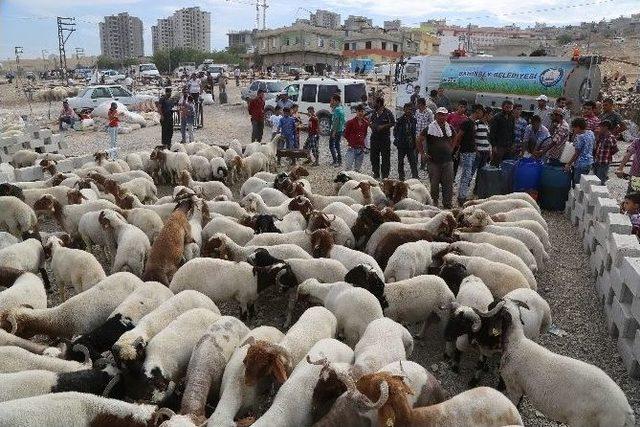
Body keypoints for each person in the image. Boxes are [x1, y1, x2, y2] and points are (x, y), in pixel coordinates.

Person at [418, 107, 454, 208]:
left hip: (448, 160)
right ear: (436, 116)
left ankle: (447, 203)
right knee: (434, 184)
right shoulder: (430, 128)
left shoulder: (449, 127)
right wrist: (423, 153)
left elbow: (455, 137)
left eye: (444, 115)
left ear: (446, 116)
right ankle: (434, 202)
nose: (442, 116)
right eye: (440, 114)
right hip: (433, 161)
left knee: (448, 183)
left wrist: (452, 147)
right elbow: (419, 139)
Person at [455, 104, 484, 205]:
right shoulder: (467, 122)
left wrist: (476, 151)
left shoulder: (472, 123)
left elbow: (472, 139)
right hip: (466, 152)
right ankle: (461, 197)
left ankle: (462, 195)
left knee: (467, 175)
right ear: (477, 111)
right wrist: (453, 150)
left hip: (471, 152)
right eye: (481, 112)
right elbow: (458, 136)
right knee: (466, 175)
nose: (482, 114)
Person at [369, 97, 395, 179]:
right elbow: (371, 122)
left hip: (384, 139)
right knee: (373, 157)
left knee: (385, 158)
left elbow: (393, 123)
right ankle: (376, 174)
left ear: (379, 103)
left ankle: (385, 176)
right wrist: (371, 125)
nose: (373, 104)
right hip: (374, 139)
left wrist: (383, 126)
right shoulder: (373, 113)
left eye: (375, 102)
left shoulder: (388, 112)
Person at [564, 118, 594, 187]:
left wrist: (568, 164)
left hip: (581, 164)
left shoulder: (580, 137)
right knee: (584, 183)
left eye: (574, 128)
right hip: (589, 162)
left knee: (577, 185)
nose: (573, 130)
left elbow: (577, 153)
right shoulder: (591, 133)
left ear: (577, 127)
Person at [393, 103, 419, 181]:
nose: (409, 111)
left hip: (411, 145)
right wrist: (399, 138)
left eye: (410, 109)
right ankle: (401, 177)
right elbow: (395, 131)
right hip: (401, 145)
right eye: (407, 109)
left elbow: (415, 132)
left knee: (413, 162)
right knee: (400, 162)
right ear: (404, 110)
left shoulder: (414, 120)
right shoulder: (400, 120)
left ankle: (415, 176)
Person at [343, 104, 369, 172]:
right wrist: (351, 141)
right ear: (356, 112)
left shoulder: (365, 123)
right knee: (348, 167)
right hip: (352, 148)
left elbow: (365, 134)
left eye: (362, 111)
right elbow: (346, 134)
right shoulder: (350, 122)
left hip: (361, 148)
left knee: (357, 169)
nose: (360, 113)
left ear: (364, 112)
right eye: (359, 111)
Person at [489, 100, 515, 166]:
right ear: (502, 107)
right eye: (507, 107)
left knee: (506, 165)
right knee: (495, 165)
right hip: (499, 146)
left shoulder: (511, 118)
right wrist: (494, 145)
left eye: (510, 108)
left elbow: (512, 131)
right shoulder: (497, 117)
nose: (508, 109)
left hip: (508, 146)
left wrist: (512, 144)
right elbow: (492, 132)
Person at [592, 120, 618, 184]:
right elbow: (596, 147)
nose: (599, 128)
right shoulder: (600, 136)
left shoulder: (611, 138)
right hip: (597, 161)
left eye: (601, 127)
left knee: (600, 181)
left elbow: (615, 149)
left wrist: (608, 156)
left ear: (606, 127)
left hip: (604, 163)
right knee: (595, 180)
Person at [415, 98, 434, 170]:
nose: (416, 105)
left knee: (424, 151)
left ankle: (423, 166)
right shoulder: (417, 112)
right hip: (417, 135)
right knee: (416, 151)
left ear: (421, 104)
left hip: (425, 136)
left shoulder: (429, 112)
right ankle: (414, 164)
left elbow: (432, 124)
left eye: (417, 103)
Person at [473, 105, 492, 174]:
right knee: (473, 169)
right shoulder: (477, 123)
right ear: (486, 114)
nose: (491, 116)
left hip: (485, 151)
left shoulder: (487, 125)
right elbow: (473, 138)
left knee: (482, 172)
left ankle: (478, 184)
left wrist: (489, 151)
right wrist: (476, 151)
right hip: (478, 151)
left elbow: (487, 139)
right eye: (490, 114)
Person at [329, 94, 346, 166]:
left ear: (336, 101)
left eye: (332, 100)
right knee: (337, 145)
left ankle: (336, 160)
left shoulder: (337, 110)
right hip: (340, 129)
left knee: (332, 145)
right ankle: (339, 161)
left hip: (335, 130)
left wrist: (333, 132)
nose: (331, 102)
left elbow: (336, 121)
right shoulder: (341, 108)